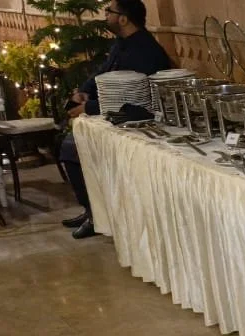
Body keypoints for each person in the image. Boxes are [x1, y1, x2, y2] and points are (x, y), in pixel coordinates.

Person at [60, 0, 172, 238]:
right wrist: (83, 91)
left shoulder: (145, 50)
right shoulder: (122, 43)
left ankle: (98, 216)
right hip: (113, 114)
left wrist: (89, 107)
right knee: (71, 146)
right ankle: (92, 210)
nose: (105, 15)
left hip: (135, 120)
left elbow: (136, 99)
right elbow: (103, 73)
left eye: (109, 11)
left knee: (73, 147)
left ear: (123, 18)